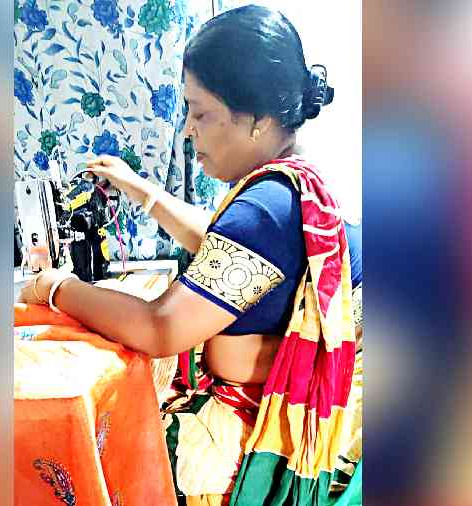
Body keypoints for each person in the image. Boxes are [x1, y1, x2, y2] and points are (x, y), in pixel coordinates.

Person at [20, 6, 361, 505]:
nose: (186, 130)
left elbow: (161, 327)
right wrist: (140, 190)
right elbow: (221, 244)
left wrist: (54, 287)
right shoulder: (300, 188)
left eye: (200, 113)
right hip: (330, 442)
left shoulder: (265, 210)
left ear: (259, 120)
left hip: (251, 453)